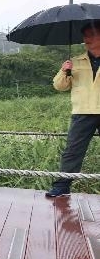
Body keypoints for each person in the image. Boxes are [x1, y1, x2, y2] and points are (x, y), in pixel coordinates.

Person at [46, 21, 100, 198]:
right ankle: (62, 186)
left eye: (92, 34)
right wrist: (64, 70)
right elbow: (59, 86)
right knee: (73, 151)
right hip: (82, 111)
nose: (88, 39)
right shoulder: (75, 61)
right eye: (85, 35)